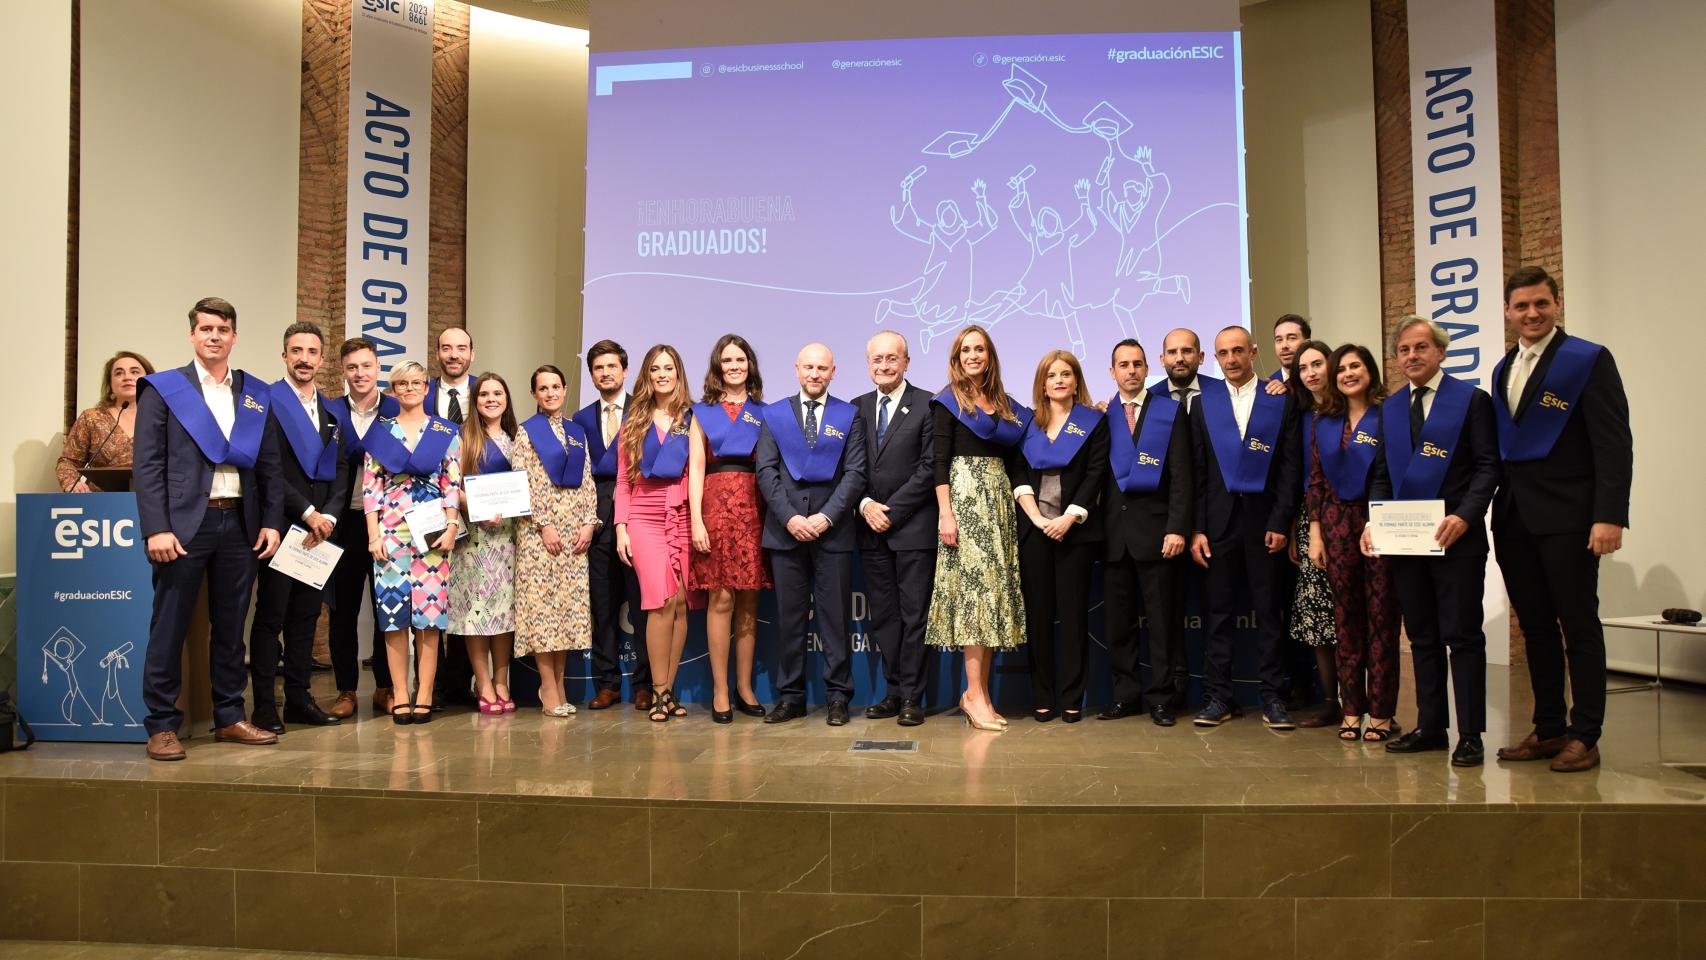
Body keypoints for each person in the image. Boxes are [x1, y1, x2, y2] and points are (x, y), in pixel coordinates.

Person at [1491, 266, 1632, 773]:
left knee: (1578, 625)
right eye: (1522, 306)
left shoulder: (1587, 361)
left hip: (1572, 519)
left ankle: (1586, 733)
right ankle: (1549, 728)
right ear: (1508, 312)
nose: (1532, 313)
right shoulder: (1503, 367)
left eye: (1541, 304)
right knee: (1535, 628)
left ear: (1557, 304)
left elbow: (1613, 442)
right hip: (1514, 519)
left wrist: (1609, 515)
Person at [133, 296, 283, 761]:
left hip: (240, 522)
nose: (214, 336)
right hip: (182, 526)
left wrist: (272, 522)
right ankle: (161, 725)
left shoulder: (256, 393)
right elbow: (148, 464)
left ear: (234, 336)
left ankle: (229, 716)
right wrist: (155, 527)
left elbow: (271, 466)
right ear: (192, 335)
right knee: (170, 625)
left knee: (231, 624)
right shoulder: (163, 389)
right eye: (205, 329)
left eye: (222, 329)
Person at [1364, 317, 1500, 767]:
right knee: (1421, 637)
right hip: (1406, 541)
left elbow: (1487, 467)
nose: (1412, 356)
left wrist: (1466, 515)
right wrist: (1374, 522)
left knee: (1462, 637)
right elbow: (1382, 474)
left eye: (1421, 347)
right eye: (1403, 350)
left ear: (1441, 352)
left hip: (1457, 539)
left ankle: (1471, 734)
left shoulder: (1471, 401)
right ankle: (1431, 726)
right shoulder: (1391, 409)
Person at [1188, 326, 1302, 730]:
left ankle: (1273, 698)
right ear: (1215, 359)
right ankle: (1219, 697)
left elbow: (1290, 468)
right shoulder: (1204, 405)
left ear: (1253, 353)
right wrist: (1198, 529)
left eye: (1238, 351)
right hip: (1217, 527)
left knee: (1270, 613)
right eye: (1223, 353)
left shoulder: (1279, 401)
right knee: (1217, 614)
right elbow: (1197, 472)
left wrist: (1281, 520)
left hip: (1264, 524)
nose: (1231, 359)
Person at [924, 325, 1030, 732]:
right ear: (957, 356)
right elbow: (938, 462)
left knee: (990, 598)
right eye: (966, 349)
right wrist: (945, 514)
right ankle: (973, 693)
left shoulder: (1003, 403)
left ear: (989, 356)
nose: (973, 355)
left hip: (998, 502)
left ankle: (978, 694)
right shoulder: (947, 402)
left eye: (979, 349)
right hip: (965, 503)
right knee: (974, 601)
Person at [755, 343, 868, 725]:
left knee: (835, 619)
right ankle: (791, 697)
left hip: (832, 533)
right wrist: (790, 518)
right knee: (789, 621)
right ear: (796, 369)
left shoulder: (848, 415)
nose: (815, 374)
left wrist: (826, 518)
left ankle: (838, 697)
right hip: (786, 534)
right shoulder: (774, 415)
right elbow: (766, 473)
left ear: (834, 371)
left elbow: (855, 474)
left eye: (822, 368)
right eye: (808, 367)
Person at [248, 322, 349, 732]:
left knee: (307, 616)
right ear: (284, 355)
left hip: (320, 531)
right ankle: (264, 706)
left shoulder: (329, 412)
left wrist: (330, 516)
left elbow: (341, 471)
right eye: (296, 351)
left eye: (312, 352)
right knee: (271, 618)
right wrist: (307, 511)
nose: (304, 358)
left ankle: (297, 698)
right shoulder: (267, 402)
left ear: (322, 360)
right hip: (283, 525)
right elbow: (267, 469)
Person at [362, 360, 464, 724]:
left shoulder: (445, 431)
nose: (408, 389)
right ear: (393, 390)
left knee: (429, 618)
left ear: (426, 388)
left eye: (415, 382)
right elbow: (371, 488)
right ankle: (400, 693)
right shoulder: (380, 433)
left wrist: (453, 525)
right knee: (393, 618)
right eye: (401, 383)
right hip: (390, 532)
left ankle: (424, 693)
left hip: (433, 530)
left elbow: (452, 483)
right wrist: (374, 535)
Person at [1309, 344, 1401, 742]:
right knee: (1346, 622)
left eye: (1355, 366)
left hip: (1378, 520)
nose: (1348, 373)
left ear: (1370, 370)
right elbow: (1315, 479)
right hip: (1334, 523)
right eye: (1341, 368)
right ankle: (1352, 709)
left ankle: (1381, 713)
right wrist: (1316, 531)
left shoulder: (1390, 415)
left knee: (1382, 618)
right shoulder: (1323, 422)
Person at [1100, 339, 1193, 726]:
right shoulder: (1101, 416)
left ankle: (1162, 698)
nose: (1131, 370)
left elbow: (1183, 476)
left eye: (1137, 363)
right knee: (1118, 625)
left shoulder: (1168, 413)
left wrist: (1177, 528)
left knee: (1162, 623)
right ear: (1112, 372)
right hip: (1114, 537)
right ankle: (1126, 696)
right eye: (1123, 364)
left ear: (1147, 367)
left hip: (1158, 536)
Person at [1014, 350, 1108, 722]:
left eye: (1066, 374)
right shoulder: (1026, 424)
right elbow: (1018, 472)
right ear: (1042, 382)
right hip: (1035, 531)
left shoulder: (1093, 422)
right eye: (1051, 375)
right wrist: (1037, 518)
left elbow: (1095, 474)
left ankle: (1071, 697)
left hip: (1076, 532)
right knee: (1038, 617)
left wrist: (1068, 518)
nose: (1059, 380)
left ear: (1076, 379)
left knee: (1072, 618)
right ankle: (1042, 695)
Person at [854, 331, 938, 727]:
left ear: (906, 362)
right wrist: (867, 505)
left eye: (892, 359)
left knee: (913, 616)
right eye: (877, 359)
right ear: (868, 364)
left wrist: (893, 510)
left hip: (912, 530)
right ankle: (891, 691)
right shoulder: (856, 409)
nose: (884, 366)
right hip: (870, 529)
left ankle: (912, 697)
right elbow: (851, 470)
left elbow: (929, 468)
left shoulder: (928, 404)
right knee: (884, 617)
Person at [688, 334, 771, 723]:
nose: (734, 366)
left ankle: (745, 686)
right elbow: (697, 469)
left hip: (755, 508)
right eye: (727, 360)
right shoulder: (702, 413)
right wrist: (696, 520)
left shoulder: (766, 412)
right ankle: (720, 689)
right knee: (720, 599)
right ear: (718, 367)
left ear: (749, 365)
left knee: (750, 602)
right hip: (715, 509)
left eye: (740, 359)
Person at [513, 365, 600, 718]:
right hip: (540, 535)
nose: (550, 393)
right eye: (542, 388)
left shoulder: (577, 432)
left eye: (555, 387)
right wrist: (544, 524)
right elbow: (524, 483)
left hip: (574, 534)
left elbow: (587, 481)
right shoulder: (526, 433)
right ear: (534, 394)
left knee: (566, 614)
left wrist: (588, 524)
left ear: (565, 390)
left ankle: (561, 685)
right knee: (543, 611)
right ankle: (547, 686)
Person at [616, 345, 699, 721]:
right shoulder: (634, 419)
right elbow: (622, 480)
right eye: (655, 369)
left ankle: (670, 689)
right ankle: (658, 690)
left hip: (681, 514)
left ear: (678, 372)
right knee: (659, 602)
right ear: (647, 376)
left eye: (668, 367)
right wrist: (621, 528)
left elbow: (696, 474)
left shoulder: (692, 417)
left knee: (681, 603)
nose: (662, 374)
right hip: (644, 518)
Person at [572, 340, 653, 712]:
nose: (605, 373)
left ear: (624, 369)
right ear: (592, 375)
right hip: (594, 520)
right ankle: (606, 683)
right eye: (598, 368)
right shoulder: (580, 419)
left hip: (638, 515)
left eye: (611, 366)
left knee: (641, 607)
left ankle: (644, 684)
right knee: (602, 607)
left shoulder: (646, 409)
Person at [325, 338, 400, 718]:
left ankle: (386, 687)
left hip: (388, 524)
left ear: (377, 369)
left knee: (385, 607)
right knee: (343, 610)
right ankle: (346, 690)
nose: (360, 374)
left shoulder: (397, 409)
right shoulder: (328, 410)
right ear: (343, 371)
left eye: (366, 366)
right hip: (341, 524)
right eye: (352, 367)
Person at [452, 372, 522, 715]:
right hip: (477, 541)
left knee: (505, 615)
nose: (491, 399)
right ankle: (482, 683)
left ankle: (502, 681)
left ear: (506, 398)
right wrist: (479, 508)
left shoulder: (517, 437)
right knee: (476, 615)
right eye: (484, 395)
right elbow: (450, 487)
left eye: (498, 393)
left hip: (509, 539)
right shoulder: (464, 437)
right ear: (475, 402)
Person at [1286, 340, 1340, 727]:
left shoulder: (1361, 409)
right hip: (1311, 521)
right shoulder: (1300, 415)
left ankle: (1366, 701)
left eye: (1317, 364)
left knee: (1357, 615)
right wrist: (1295, 527)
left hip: (1355, 517)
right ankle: (1330, 701)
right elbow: (1293, 475)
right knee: (1319, 616)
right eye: (1303, 368)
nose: (1311, 373)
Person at [426, 325, 478, 708]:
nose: (453, 355)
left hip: (477, 510)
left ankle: (460, 684)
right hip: (427, 511)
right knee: (429, 596)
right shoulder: (417, 393)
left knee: (465, 594)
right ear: (438, 354)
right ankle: (433, 684)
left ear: (471, 354)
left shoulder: (489, 392)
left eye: (461, 348)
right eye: (446, 348)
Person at [58, 350, 154, 492]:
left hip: (154, 503)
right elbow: (67, 462)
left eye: (134, 372)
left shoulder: (164, 418)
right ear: (110, 384)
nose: (127, 377)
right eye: (119, 373)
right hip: (103, 509)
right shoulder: (92, 418)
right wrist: (72, 484)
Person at [1264, 314, 1311, 393]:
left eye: (1292, 338)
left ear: (1307, 343)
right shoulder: (1268, 387)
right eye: (1279, 340)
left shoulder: (1324, 381)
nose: (1284, 346)